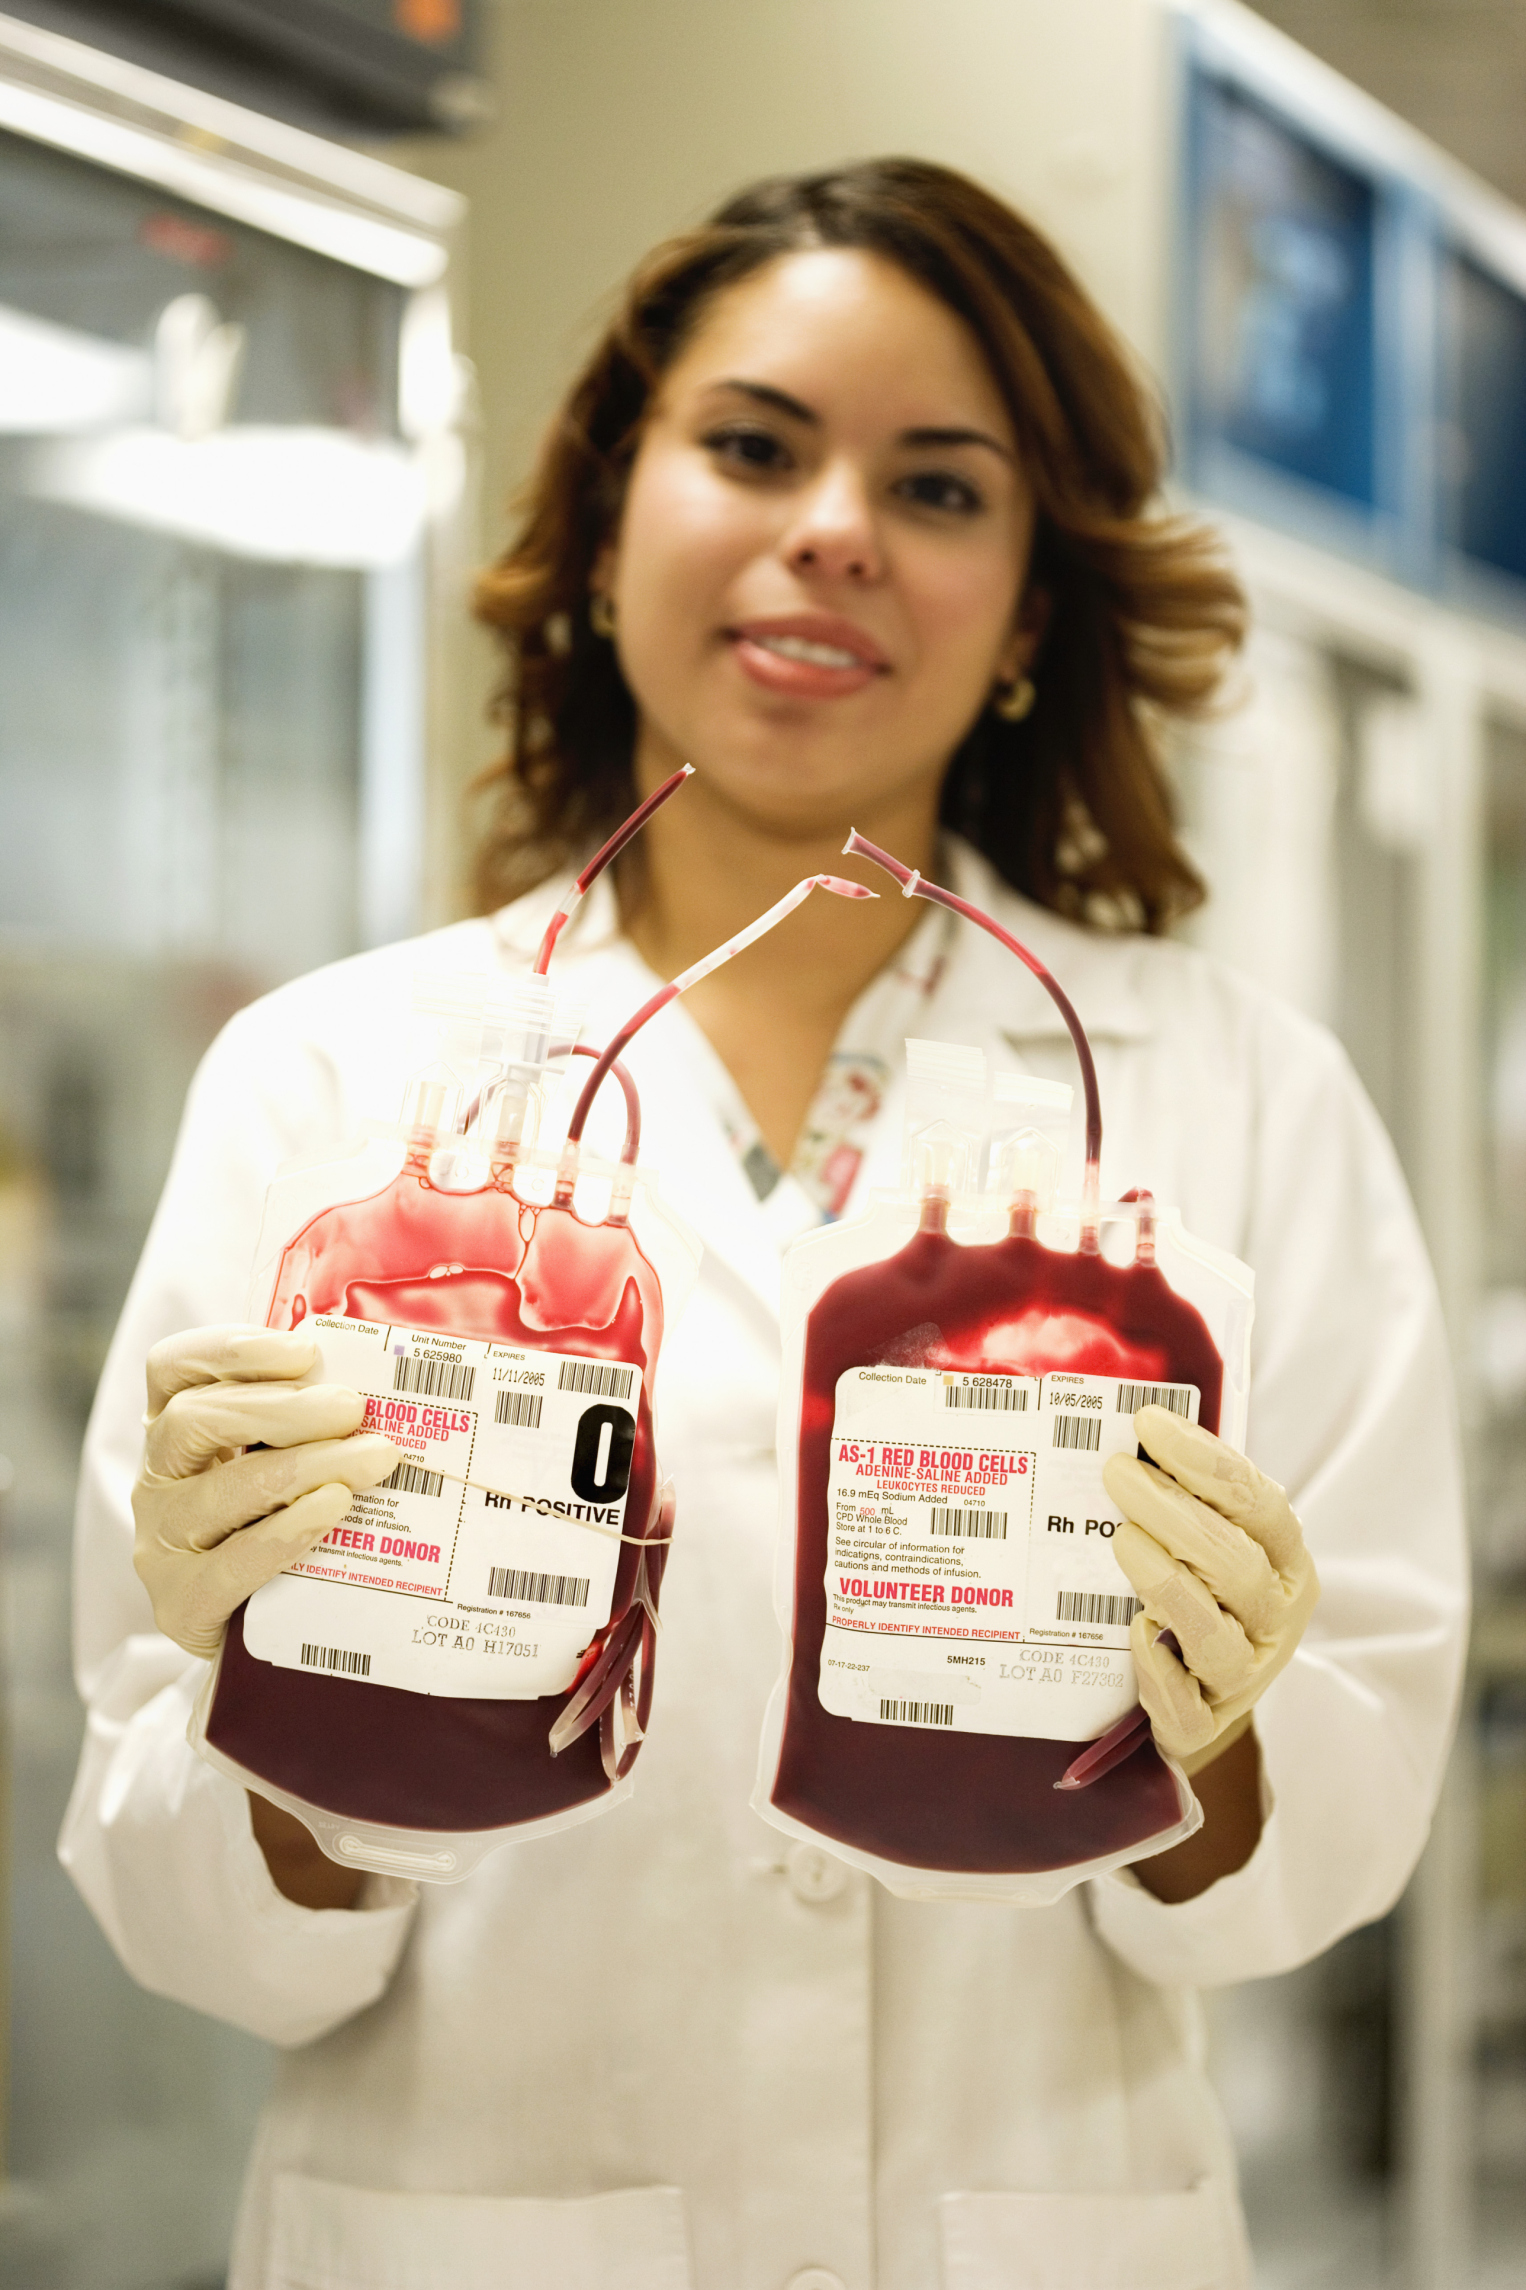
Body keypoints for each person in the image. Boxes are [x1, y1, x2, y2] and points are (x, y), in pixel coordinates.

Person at [61, 159, 1466, 2290]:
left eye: (937, 486)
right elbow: (193, 1923)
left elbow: (1324, 1846)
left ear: (1024, 611)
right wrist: (274, 1702)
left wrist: (1225, 1724)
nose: (830, 527)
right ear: (613, 516)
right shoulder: (332, 1079)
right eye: (749, 445)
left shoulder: (1232, 1087)